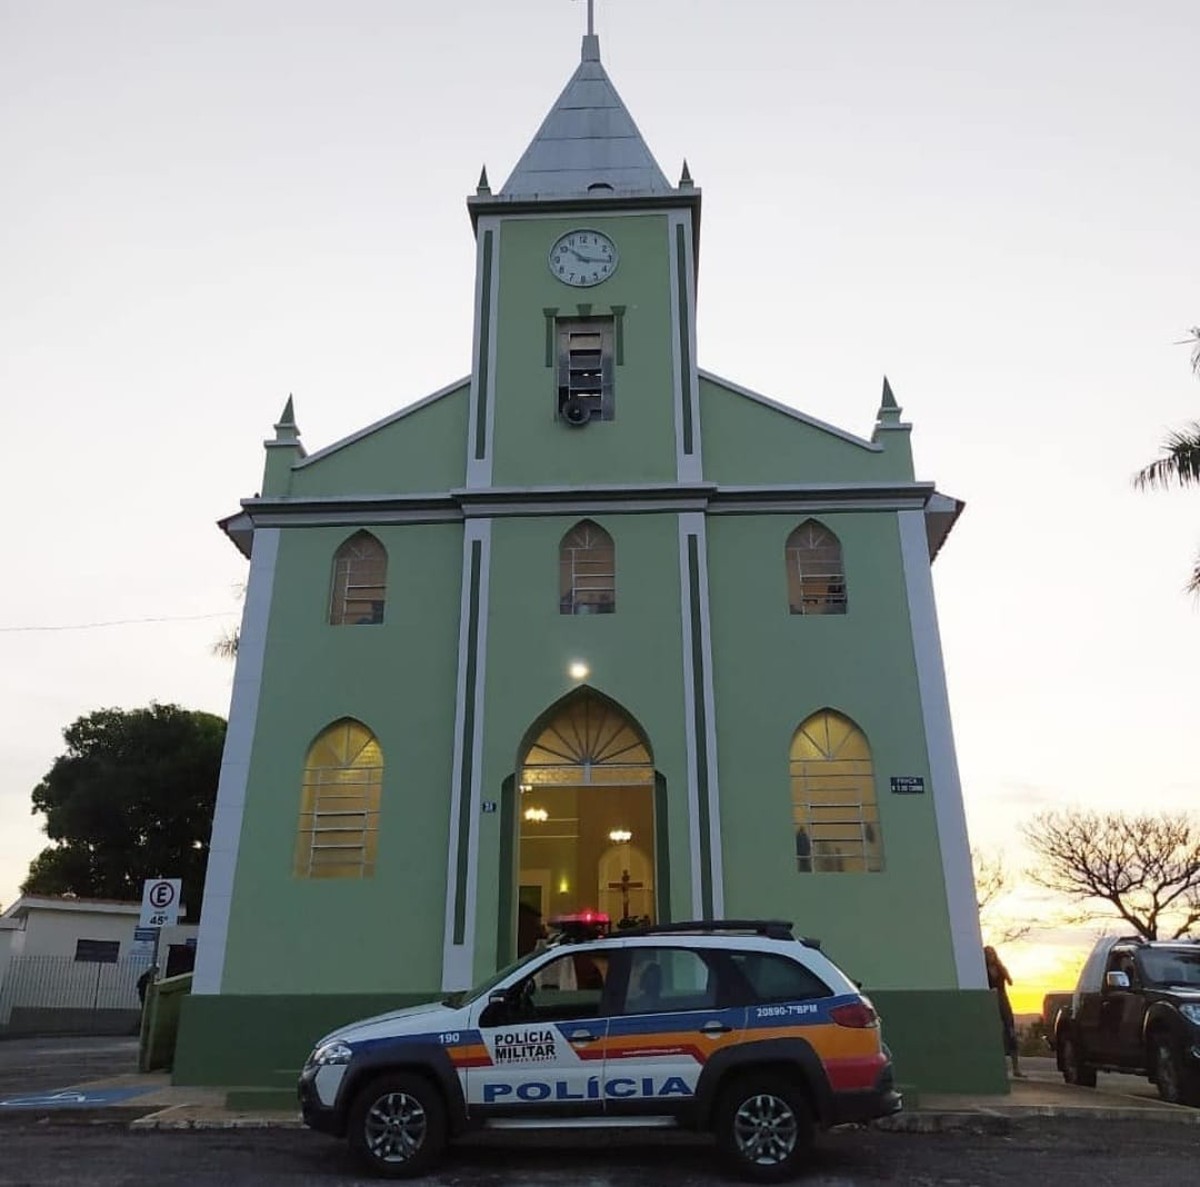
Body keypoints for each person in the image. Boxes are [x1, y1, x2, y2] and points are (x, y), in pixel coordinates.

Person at [984, 946, 1024, 1077]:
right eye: (987, 954)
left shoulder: (1001, 969)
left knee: (1010, 1031)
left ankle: (1016, 1068)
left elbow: (1010, 982)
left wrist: (1006, 975)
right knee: (995, 1033)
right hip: (990, 1001)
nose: (990, 956)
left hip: (1003, 1000)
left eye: (992, 954)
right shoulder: (982, 970)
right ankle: (999, 1068)